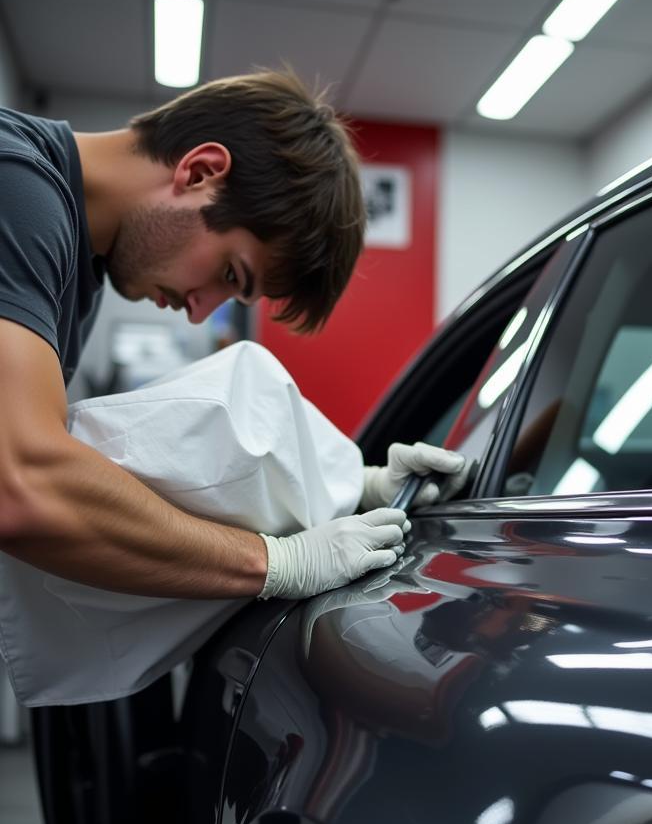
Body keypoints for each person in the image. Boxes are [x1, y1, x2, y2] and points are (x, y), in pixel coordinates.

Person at [0, 69, 465, 615]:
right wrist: (278, 563)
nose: (199, 312)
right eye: (230, 273)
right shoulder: (18, 189)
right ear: (200, 171)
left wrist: (351, 485)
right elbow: (23, 482)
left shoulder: (79, 262)